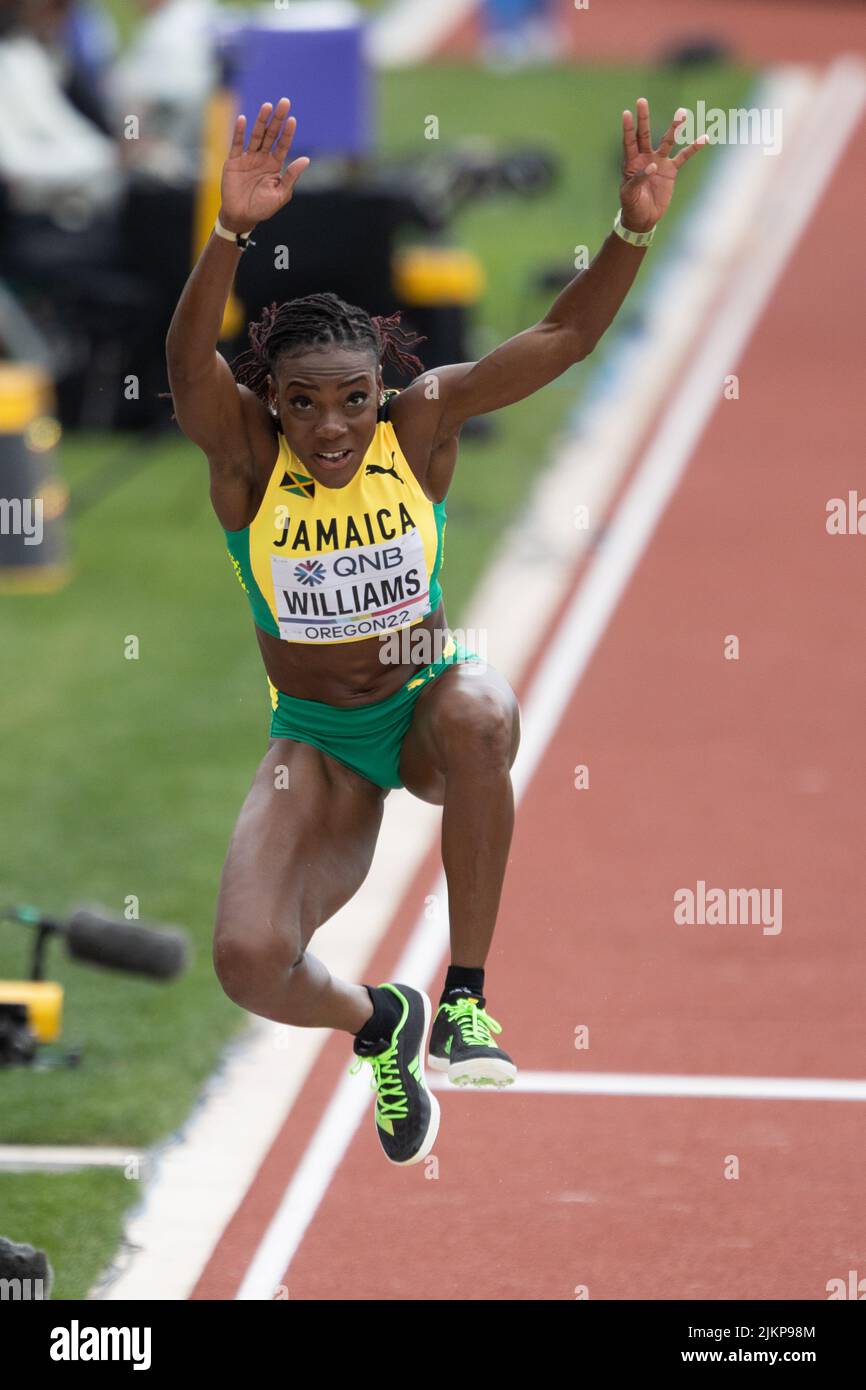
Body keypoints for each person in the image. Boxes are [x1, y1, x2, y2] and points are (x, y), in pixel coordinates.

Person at [165, 96, 705, 1167]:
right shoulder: (244, 457)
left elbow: (561, 334)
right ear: (272, 398)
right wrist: (227, 233)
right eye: (307, 403)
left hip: (420, 695)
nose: (331, 428)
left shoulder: (420, 425)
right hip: (317, 732)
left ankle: (464, 995)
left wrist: (631, 228)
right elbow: (186, 366)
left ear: (381, 390)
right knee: (247, 957)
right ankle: (381, 1021)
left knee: (478, 703)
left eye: (351, 400)